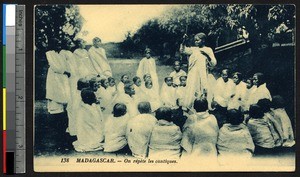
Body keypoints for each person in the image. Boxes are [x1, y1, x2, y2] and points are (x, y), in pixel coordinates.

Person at [180, 33, 217, 108]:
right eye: (195, 40)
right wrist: (184, 41)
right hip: (193, 73)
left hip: (202, 74)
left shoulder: (208, 49)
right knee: (192, 88)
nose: (196, 42)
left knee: (202, 88)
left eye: (197, 40)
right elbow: (183, 51)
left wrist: (207, 55)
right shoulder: (193, 49)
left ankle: (202, 106)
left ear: (203, 40)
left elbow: (213, 63)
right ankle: (191, 106)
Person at [181, 98, 219, 164]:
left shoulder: (192, 118)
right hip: (210, 149)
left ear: (194, 107)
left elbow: (185, 132)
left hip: (196, 149)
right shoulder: (212, 118)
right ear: (207, 107)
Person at [45, 38, 70, 114]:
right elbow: (54, 66)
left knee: (60, 92)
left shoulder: (58, 54)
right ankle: (54, 111)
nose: (58, 46)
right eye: (57, 44)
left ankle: (60, 111)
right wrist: (64, 71)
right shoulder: (49, 53)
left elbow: (64, 64)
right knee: (54, 92)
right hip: (54, 75)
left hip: (60, 76)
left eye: (59, 44)